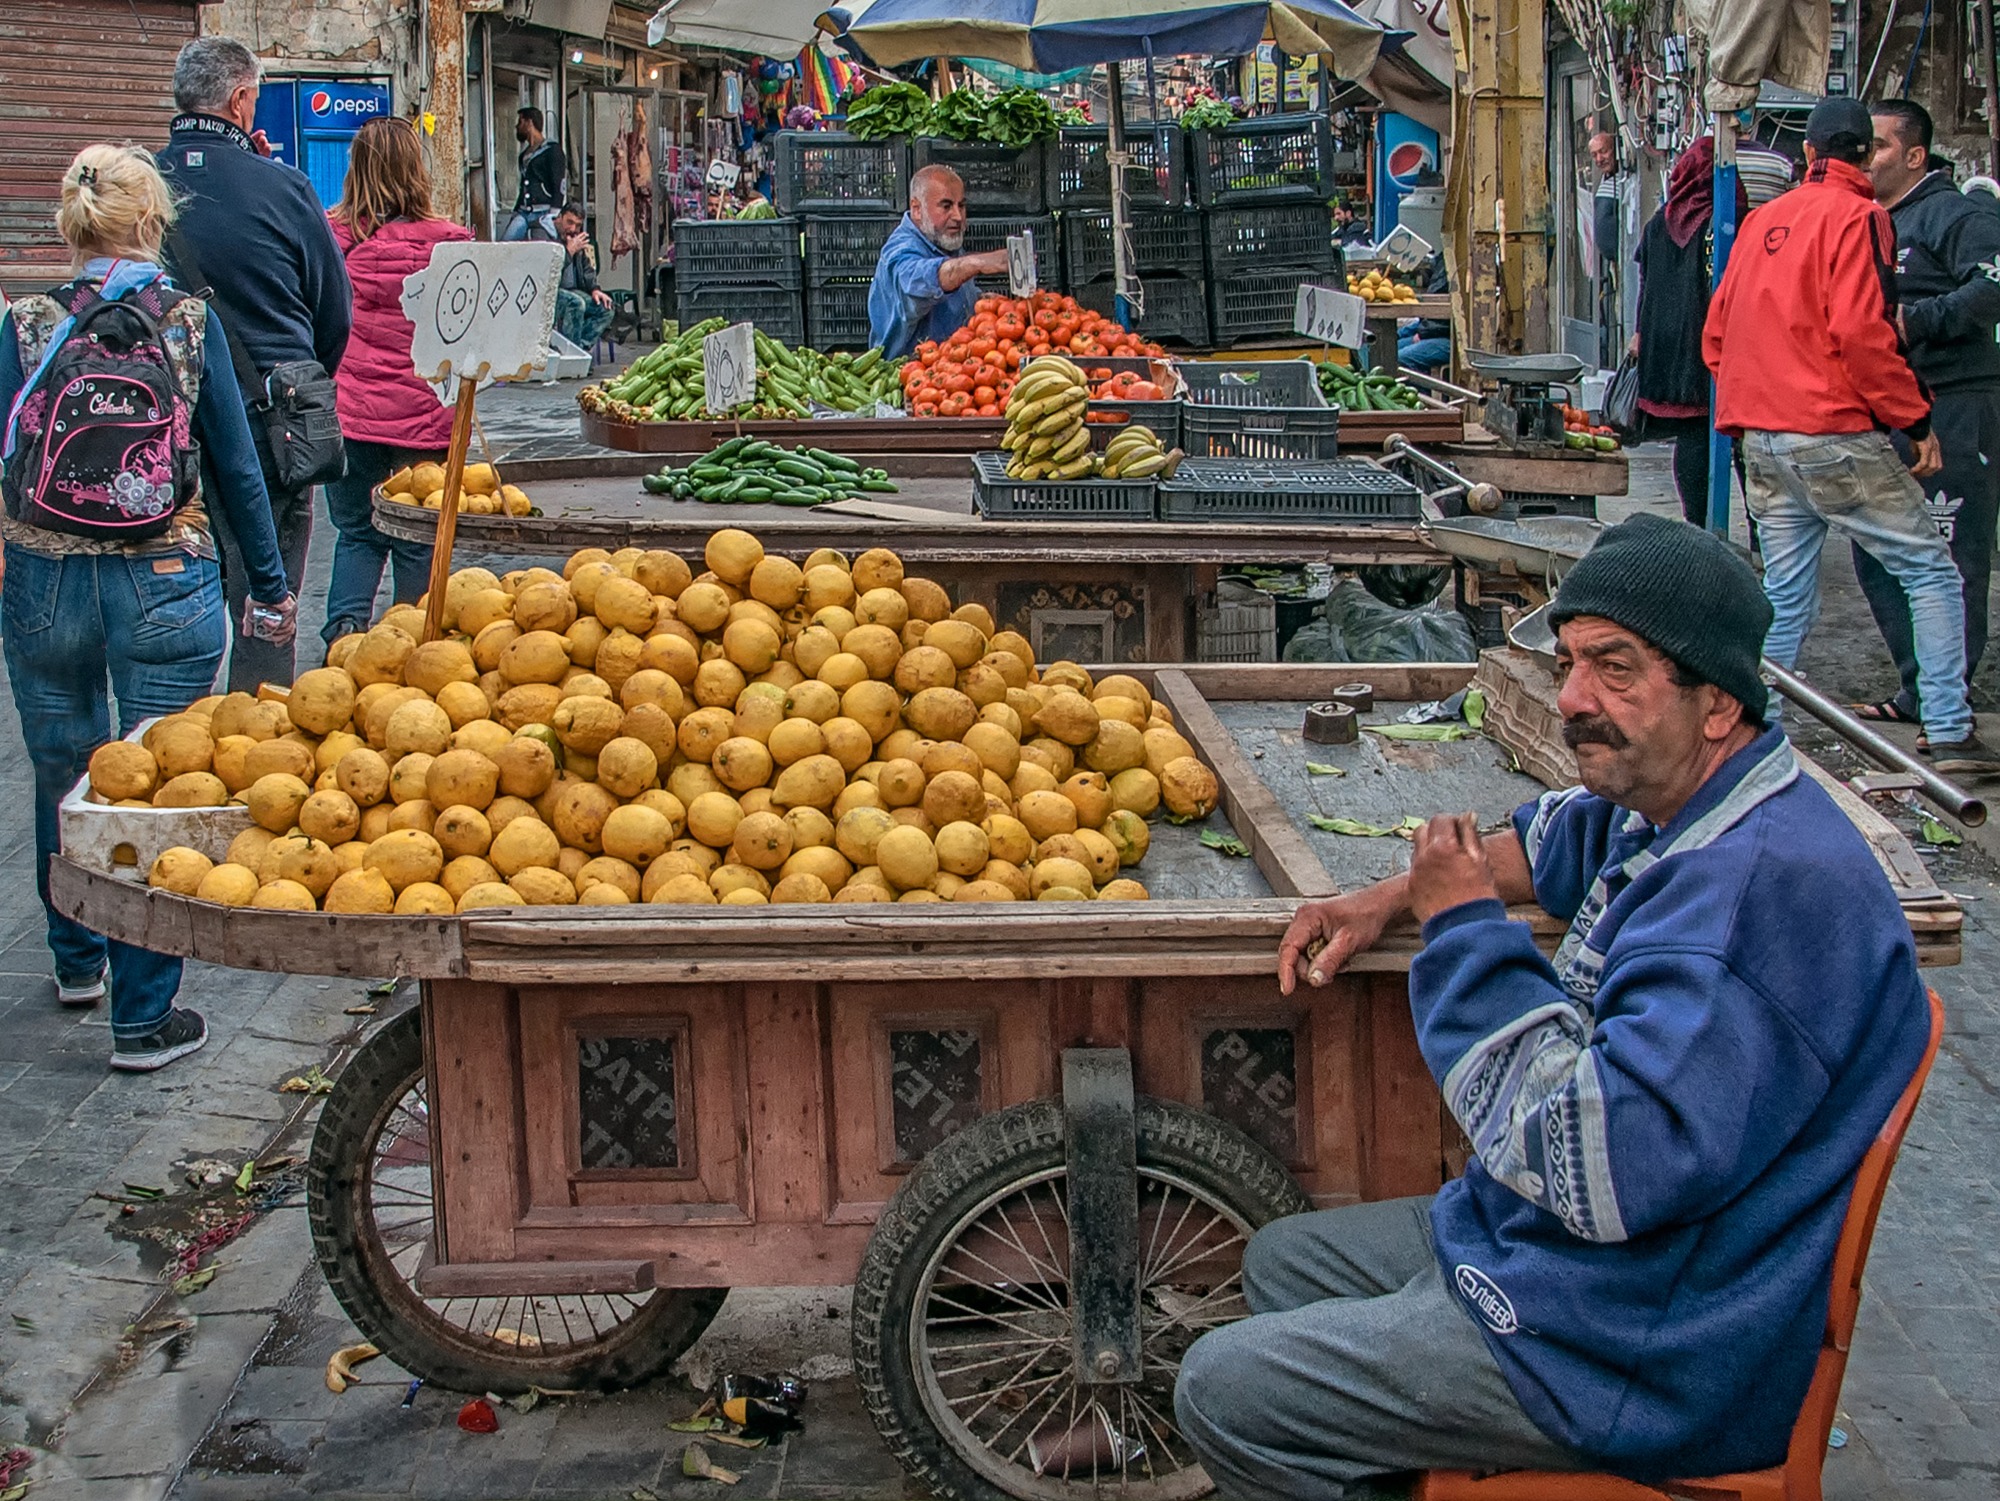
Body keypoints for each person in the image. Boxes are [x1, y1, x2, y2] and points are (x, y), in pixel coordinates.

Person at [1175, 515, 1932, 1498]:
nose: (1573, 699)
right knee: (1285, 1262)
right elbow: (1553, 840)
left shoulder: (1749, 897)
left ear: (1713, 701)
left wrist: (1460, 928)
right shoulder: (1688, 799)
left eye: (1613, 669)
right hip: (1592, 1263)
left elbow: (1596, 1173)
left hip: (1642, 1337)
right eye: (1571, 662)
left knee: (1224, 1388)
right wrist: (1392, 894)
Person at [0, 145, 295, 1068]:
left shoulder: (23, 322)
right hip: (166, 575)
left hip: (42, 577)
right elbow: (240, 471)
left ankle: (76, 958)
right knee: (157, 789)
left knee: (61, 773)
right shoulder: (187, 322)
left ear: (72, 225)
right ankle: (142, 1015)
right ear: (152, 219)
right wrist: (276, 588)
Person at [1703, 96, 1999, 773]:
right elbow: (1864, 335)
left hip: (1764, 435)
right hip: (1832, 428)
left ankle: (1753, 730)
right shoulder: (1861, 216)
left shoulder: (1762, 221)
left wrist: (1757, 405)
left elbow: (1717, 335)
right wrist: (1915, 420)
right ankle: (1950, 730)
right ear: (1864, 156)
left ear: (1808, 154)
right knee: (1932, 571)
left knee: (1784, 591)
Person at [158, 35, 350, 692]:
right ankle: (257, 745)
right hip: (272, 426)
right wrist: (290, 379)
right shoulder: (284, 188)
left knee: (172, 604)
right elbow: (334, 313)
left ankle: (175, 744)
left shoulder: (139, 189)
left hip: (165, 438)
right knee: (267, 599)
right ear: (242, 101)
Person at [1850, 99, 2000, 738]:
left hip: (1956, 404)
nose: (1866, 159)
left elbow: (1991, 286)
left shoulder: (1957, 215)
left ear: (1914, 155)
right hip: (1894, 408)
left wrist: (1916, 322)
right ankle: (1920, 684)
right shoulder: (1876, 221)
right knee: (1875, 546)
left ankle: (1947, 700)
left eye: (1879, 147)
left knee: (1949, 551)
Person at [321, 117, 471, 646]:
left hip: (351, 414)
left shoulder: (328, 241)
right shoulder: (454, 246)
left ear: (354, 171)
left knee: (357, 534)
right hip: (428, 418)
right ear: (417, 171)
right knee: (418, 539)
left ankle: (342, 642)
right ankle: (416, 648)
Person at [1630, 137, 1745, 526]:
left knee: (1693, 433)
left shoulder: (1659, 223)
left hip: (1667, 340)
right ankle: (1758, 533)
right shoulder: (1727, 221)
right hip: (1713, 340)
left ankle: (1696, 523)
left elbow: (1645, 284)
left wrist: (1639, 332)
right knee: (1736, 435)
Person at [867, 165, 1011, 360]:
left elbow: (952, 299)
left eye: (961, 205)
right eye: (946, 206)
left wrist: (984, 301)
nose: (958, 217)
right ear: (917, 209)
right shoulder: (901, 249)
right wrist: (976, 263)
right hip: (908, 374)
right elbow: (919, 282)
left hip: (954, 371)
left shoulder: (943, 241)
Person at [554, 203, 617, 354]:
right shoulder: (544, 236)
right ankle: (572, 355)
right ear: (559, 218)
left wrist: (595, 289)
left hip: (574, 290)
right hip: (552, 292)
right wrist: (569, 252)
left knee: (605, 308)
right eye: (569, 222)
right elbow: (548, 270)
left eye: (577, 225)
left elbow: (587, 268)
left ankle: (578, 350)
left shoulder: (575, 238)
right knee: (576, 303)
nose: (573, 229)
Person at [503, 106, 566, 242]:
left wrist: (554, 214)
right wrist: (516, 210)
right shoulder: (524, 156)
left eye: (521, 122)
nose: (517, 126)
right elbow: (524, 185)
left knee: (541, 247)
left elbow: (559, 184)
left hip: (543, 212)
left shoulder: (552, 150)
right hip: (524, 211)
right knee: (506, 243)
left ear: (529, 123)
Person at [1395, 252, 1452, 374]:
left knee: (1402, 358)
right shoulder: (1444, 258)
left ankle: (1416, 393)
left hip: (1450, 337)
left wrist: (1424, 334)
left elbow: (1448, 319)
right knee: (1387, 348)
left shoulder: (1462, 266)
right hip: (1433, 326)